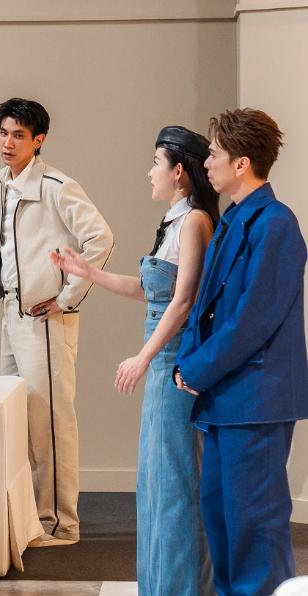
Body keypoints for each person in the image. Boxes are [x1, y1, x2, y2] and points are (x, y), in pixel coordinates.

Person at [51, 126, 218, 595]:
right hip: (162, 364)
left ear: (178, 172)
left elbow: (183, 302)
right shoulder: (175, 222)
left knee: (176, 484)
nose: (149, 172)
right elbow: (150, 291)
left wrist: (143, 357)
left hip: (175, 364)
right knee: (157, 482)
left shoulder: (195, 222)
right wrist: (87, 271)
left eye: (156, 163)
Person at [174, 108, 308, 595]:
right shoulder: (233, 218)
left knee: (255, 524)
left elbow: (254, 319)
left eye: (214, 154)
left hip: (257, 398)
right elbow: (205, 304)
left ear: (241, 163)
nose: (206, 162)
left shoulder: (276, 224)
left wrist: (197, 368)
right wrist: (189, 362)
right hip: (226, 397)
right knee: (222, 518)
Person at [0, 98, 114, 545]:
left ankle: (60, 523)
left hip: (44, 321)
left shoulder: (57, 186)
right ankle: (31, 517)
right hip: (12, 313)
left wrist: (66, 297)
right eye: (3, 133)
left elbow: (101, 238)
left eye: (19, 135)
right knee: (17, 418)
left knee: (50, 424)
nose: (8, 142)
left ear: (38, 140)